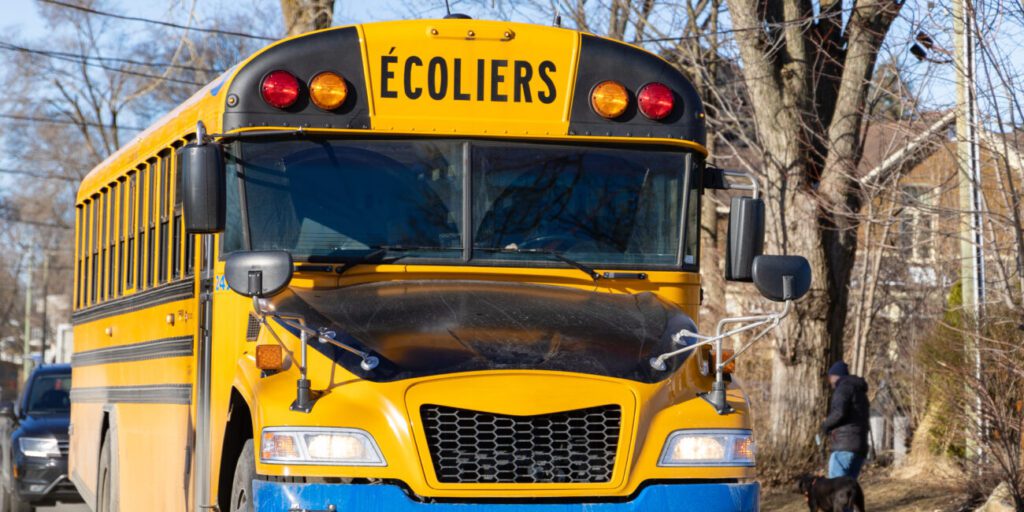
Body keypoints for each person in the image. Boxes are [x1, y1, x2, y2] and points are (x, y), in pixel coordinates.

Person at [820, 361, 870, 479]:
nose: (830, 382)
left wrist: (825, 426)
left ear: (834, 376)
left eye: (829, 377)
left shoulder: (843, 388)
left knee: (836, 488)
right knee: (849, 490)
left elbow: (839, 413)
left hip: (844, 446)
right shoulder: (859, 391)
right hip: (859, 446)